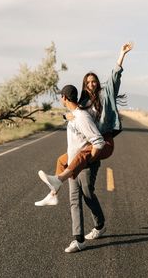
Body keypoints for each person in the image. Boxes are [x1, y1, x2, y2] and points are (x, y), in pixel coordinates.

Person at [35, 42, 133, 206]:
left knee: (81, 157)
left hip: (105, 141)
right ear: (84, 85)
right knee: (61, 161)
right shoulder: (84, 102)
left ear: (97, 83)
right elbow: (74, 113)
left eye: (93, 81)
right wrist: (66, 117)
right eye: (87, 82)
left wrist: (122, 54)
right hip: (90, 142)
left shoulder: (105, 95)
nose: (91, 84)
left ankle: (59, 179)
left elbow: (115, 76)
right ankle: (53, 195)